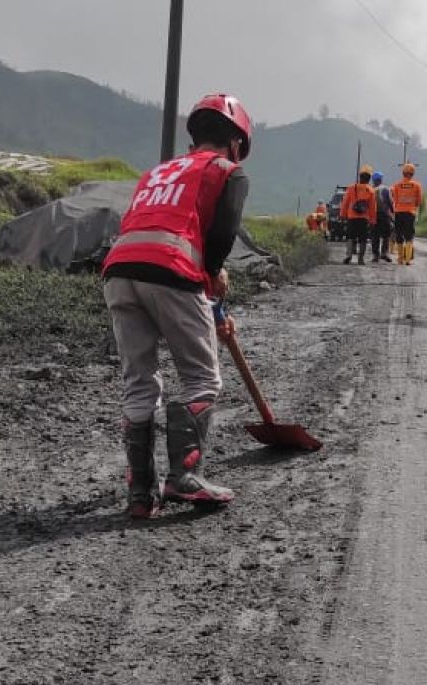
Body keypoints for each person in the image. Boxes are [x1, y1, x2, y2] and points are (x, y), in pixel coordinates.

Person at [102, 93, 252, 518]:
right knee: (203, 379)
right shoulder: (227, 170)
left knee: (139, 380)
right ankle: (183, 477)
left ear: (194, 138)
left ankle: (140, 494)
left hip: (119, 270)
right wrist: (212, 275)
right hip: (170, 270)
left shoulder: (157, 171)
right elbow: (222, 234)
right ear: (237, 144)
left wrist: (203, 289)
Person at [340, 167, 377, 265]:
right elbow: (373, 207)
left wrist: (343, 215)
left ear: (360, 177)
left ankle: (348, 256)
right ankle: (361, 258)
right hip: (364, 219)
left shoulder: (351, 188)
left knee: (350, 237)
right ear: (369, 179)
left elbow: (345, 203)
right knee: (363, 238)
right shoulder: (370, 190)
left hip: (352, 217)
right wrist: (373, 221)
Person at [391, 162, 423, 265]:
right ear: (413, 173)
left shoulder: (396, 185)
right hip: (410, 213)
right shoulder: (417, 185)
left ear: (403, 172)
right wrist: (413, 206)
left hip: (399, 212)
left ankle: (400, 259)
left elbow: (395, 200)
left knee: (399, 235)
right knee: (409, 236)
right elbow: (418, 201)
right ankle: (408, 259)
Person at [370, 171, 394, 263]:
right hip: (384, 215)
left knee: (375, 236)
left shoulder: (371, 189)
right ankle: (384, 253)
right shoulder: (386, 189)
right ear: (381, 179)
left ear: (374, 180)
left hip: (373, 215)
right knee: (386, 235)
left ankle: (375, 255)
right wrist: (392, 211)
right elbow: (390, 201)